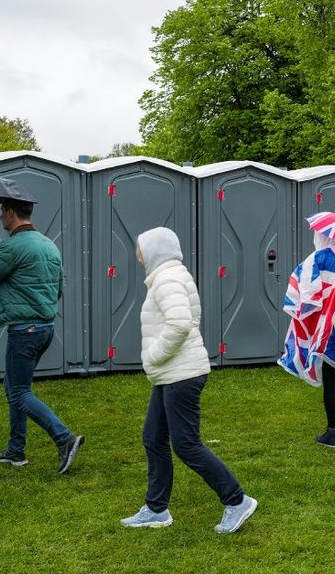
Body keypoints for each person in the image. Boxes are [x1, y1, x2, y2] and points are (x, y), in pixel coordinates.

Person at [120, 227, 257, 533]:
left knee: (186, 444)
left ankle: (236, 500)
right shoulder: (167, 277)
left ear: (154, 250)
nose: (138, 255)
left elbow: (180, 324)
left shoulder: (167, 279)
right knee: (153, 438)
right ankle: (156, 510)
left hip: (181, 374)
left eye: (140, 248)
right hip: (172, 373)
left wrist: (152, 356)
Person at [0, 199, 84, 473]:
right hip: (45, 327)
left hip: (25, 331)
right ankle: (15, 450)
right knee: (14, 388)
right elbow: (59, 287)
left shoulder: (11, 247)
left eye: (1, 213)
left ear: (11, 213)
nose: (0, 218)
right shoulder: (48, 244)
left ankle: (64, 438)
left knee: (18, 392)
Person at [278, 229, 335, 448]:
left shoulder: (318, 258)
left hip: (328, 325)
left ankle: (333, 433)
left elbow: (308, 294)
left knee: (331, 377)